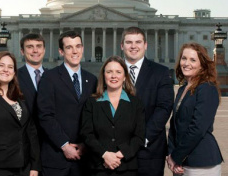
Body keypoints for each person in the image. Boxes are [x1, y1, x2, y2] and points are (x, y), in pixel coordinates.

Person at [37, 30, 97, 176]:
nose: (75, 51)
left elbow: (96, 117)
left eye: (78, 46)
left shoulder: (93, 80)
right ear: (61, 51)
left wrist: (85, 144)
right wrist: (64, 145)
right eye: (69, 47)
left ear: (83, 48)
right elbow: (45, 115)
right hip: (56, 158)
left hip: (85, 159)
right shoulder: (49, 77)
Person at [120, 26, 174, 176]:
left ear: (145, 45)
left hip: (149, 150)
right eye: (129, 42)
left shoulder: (161, 72)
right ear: (122, 45)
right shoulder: (111, 71)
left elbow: (164, 108)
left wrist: (141, 138)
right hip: (117, 152)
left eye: (138, 42)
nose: (133, 46)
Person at [80, 56, 145, 176]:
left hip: (127, 167)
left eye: (118, 72)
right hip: (99, 167)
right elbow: (87, 134)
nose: (113, 76)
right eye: (109, 72)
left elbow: (139, 136)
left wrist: (120, 155)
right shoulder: (92, 102)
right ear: (104, 76)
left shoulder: (136, 103)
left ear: (125, 76)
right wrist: (105, 155)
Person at [167, 42, 223, 176]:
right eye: (184, 58)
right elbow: (174, 125)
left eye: (193, 60)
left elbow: (198, 128)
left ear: (202, 65)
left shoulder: (207, 88)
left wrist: (176, 157)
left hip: (201, 161)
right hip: (181, 162)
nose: (186, 63)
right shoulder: (182, 89)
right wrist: (171, 154)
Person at [18, 33, 46, 135]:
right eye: (30, 47)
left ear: (44, 50)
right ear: (22, 51)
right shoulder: (13, 78)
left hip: (50, 141)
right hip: (23, 139)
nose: (35, 50)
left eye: (39, 46)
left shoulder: (55, 77)